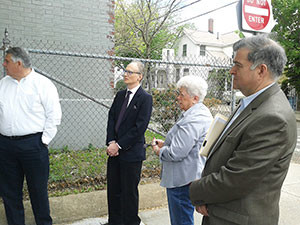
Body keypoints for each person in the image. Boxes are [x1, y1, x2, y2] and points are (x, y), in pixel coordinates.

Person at [189, 35, 297, 225]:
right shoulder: (252, 101)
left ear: (261, 70)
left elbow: (236, 178)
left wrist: (195, 191)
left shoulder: (272, 118)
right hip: (220, 210)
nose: (231, 71)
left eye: (238, 65)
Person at [0, 47, 62, 225]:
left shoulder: (43, 85)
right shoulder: (3, 84)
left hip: (33, 146)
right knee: (10, 192)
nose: (4, 64)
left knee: (38, 191)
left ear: (18, 63)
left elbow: (54, 115)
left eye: (7, 61)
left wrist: (43, 141)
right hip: (5, 146)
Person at [151, 75, 213, 225]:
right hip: (189, 176)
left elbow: (176, 152)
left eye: (181, 94)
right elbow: (187, 143)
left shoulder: (193, 119)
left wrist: (159, 151)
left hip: (182, 180)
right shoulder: (199, 113)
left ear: (195, 98)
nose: (178, 98)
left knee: (181, 221)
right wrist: (166, 143)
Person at [106, 61, 153, 225]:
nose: (125, 74)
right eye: (125, 71)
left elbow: (139, 128)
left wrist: (119, 145)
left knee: (128, 192)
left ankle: (131, 222)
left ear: (139, 77)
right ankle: (115, 222)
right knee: (113, 190)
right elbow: (111, 118)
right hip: (114, 152)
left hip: (131, 153)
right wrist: (111, 141)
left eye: (130, 72)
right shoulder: (120, 96)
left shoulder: (145, 99)